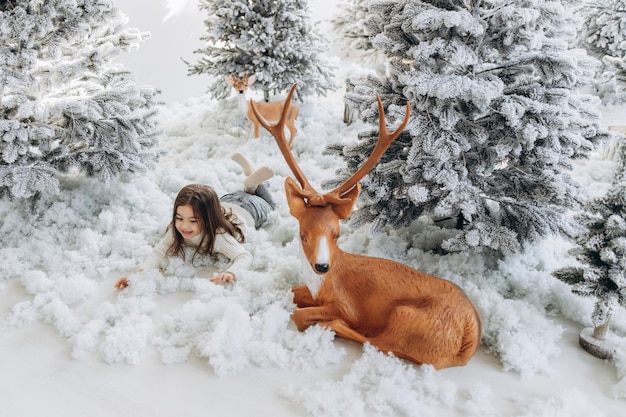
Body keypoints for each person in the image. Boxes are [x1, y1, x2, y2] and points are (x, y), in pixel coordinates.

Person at [114, 153, 275, 289]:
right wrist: (136, 276)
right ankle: (251, 183)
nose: (184, 226)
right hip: (226, 201)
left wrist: (230, 272)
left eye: (193, 221)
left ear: (208, 219)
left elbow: (244, 256)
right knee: (248, 191)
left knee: (270, 203)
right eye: (179, 218)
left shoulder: (218, 236)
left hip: (251, 209)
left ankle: (255, 184)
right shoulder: (176, 230)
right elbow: (159, 251)